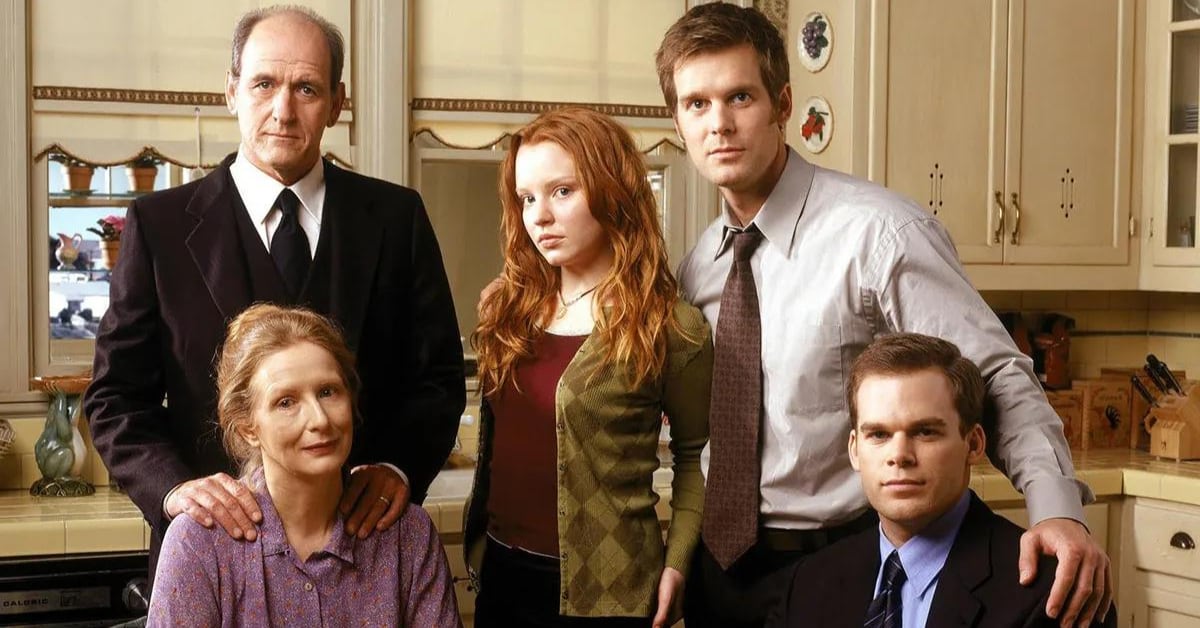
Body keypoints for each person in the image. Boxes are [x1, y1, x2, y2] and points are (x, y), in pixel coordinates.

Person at [654, 4, 1110, 627]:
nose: (719, 124)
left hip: (841, 567)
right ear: (678, 122)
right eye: (696, 104)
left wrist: (1055, 507)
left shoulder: (881, 235)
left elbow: (995, 375)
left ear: (782, 104)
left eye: (740, 96)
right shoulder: (699, 266)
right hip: (720, 575)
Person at [84, 5, 464, 581]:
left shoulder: (396, 218)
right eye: (264, 84)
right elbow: (115, 396)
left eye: (306, 88)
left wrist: (397, 467)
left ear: (336, 103)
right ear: (231, 91)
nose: (283, 111)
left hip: (364, 555)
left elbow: (437, 379)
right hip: (214, 557)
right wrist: (175, 489)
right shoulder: (158, 226)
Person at [467, 107, 713, 628]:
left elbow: (696, 456)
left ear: (611, 191)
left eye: (561, 191)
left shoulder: (669, 324)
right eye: (527, 198)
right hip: (502, 575)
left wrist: (678, 562)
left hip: (610, 591)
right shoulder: (506, 310)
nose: (539, 216)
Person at [768, 333, 1115, 628]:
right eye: (879, 434)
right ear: (855, 450)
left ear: (973, 444)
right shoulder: (808, 585)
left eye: (925, 432)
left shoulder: (1053, 592)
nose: (899, 455)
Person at [148, 304, 461, 627]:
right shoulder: (198, 543)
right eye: (286, 402)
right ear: (248, 429)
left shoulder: (408, 535)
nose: (319, 420)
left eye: (328, 392)